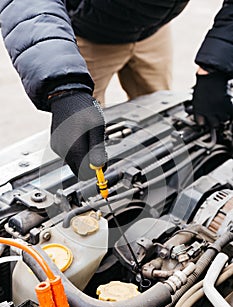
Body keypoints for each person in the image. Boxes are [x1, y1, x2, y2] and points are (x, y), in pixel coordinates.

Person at [0, 1, 233, 180]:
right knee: (83, 140)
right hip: (87, 32)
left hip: (153, 29)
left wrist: (215, 66)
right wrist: (64, 88)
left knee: (159, 107)